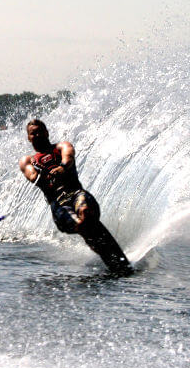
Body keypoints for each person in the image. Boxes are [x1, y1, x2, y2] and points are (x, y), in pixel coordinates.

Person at [19, 118, 132, 275]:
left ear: (46, 132)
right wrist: (43, 175)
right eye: (33, 133)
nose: (37, 135)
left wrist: (62, 167)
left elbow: (69, 156)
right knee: (81, 224)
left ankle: (114, 260)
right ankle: (104, 251)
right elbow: (32, 175)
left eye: (40, 131)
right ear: (28, 137)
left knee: (85, 212)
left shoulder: (61, 147)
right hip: (58, 204)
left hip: (76, 194)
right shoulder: (28, 160)